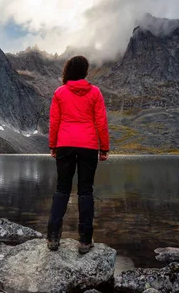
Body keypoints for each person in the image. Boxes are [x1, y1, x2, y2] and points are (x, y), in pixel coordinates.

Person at [47, 55, 110, 254]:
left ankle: (53, 238)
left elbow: (54, 121)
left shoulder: (60, 93)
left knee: (62, 189)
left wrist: (53, 145)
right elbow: (101, 121)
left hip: (65, 143)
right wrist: (104, 147)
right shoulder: (95, 93)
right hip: (89, 146)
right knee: (85, 191)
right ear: (84, 72)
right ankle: (84, 240)